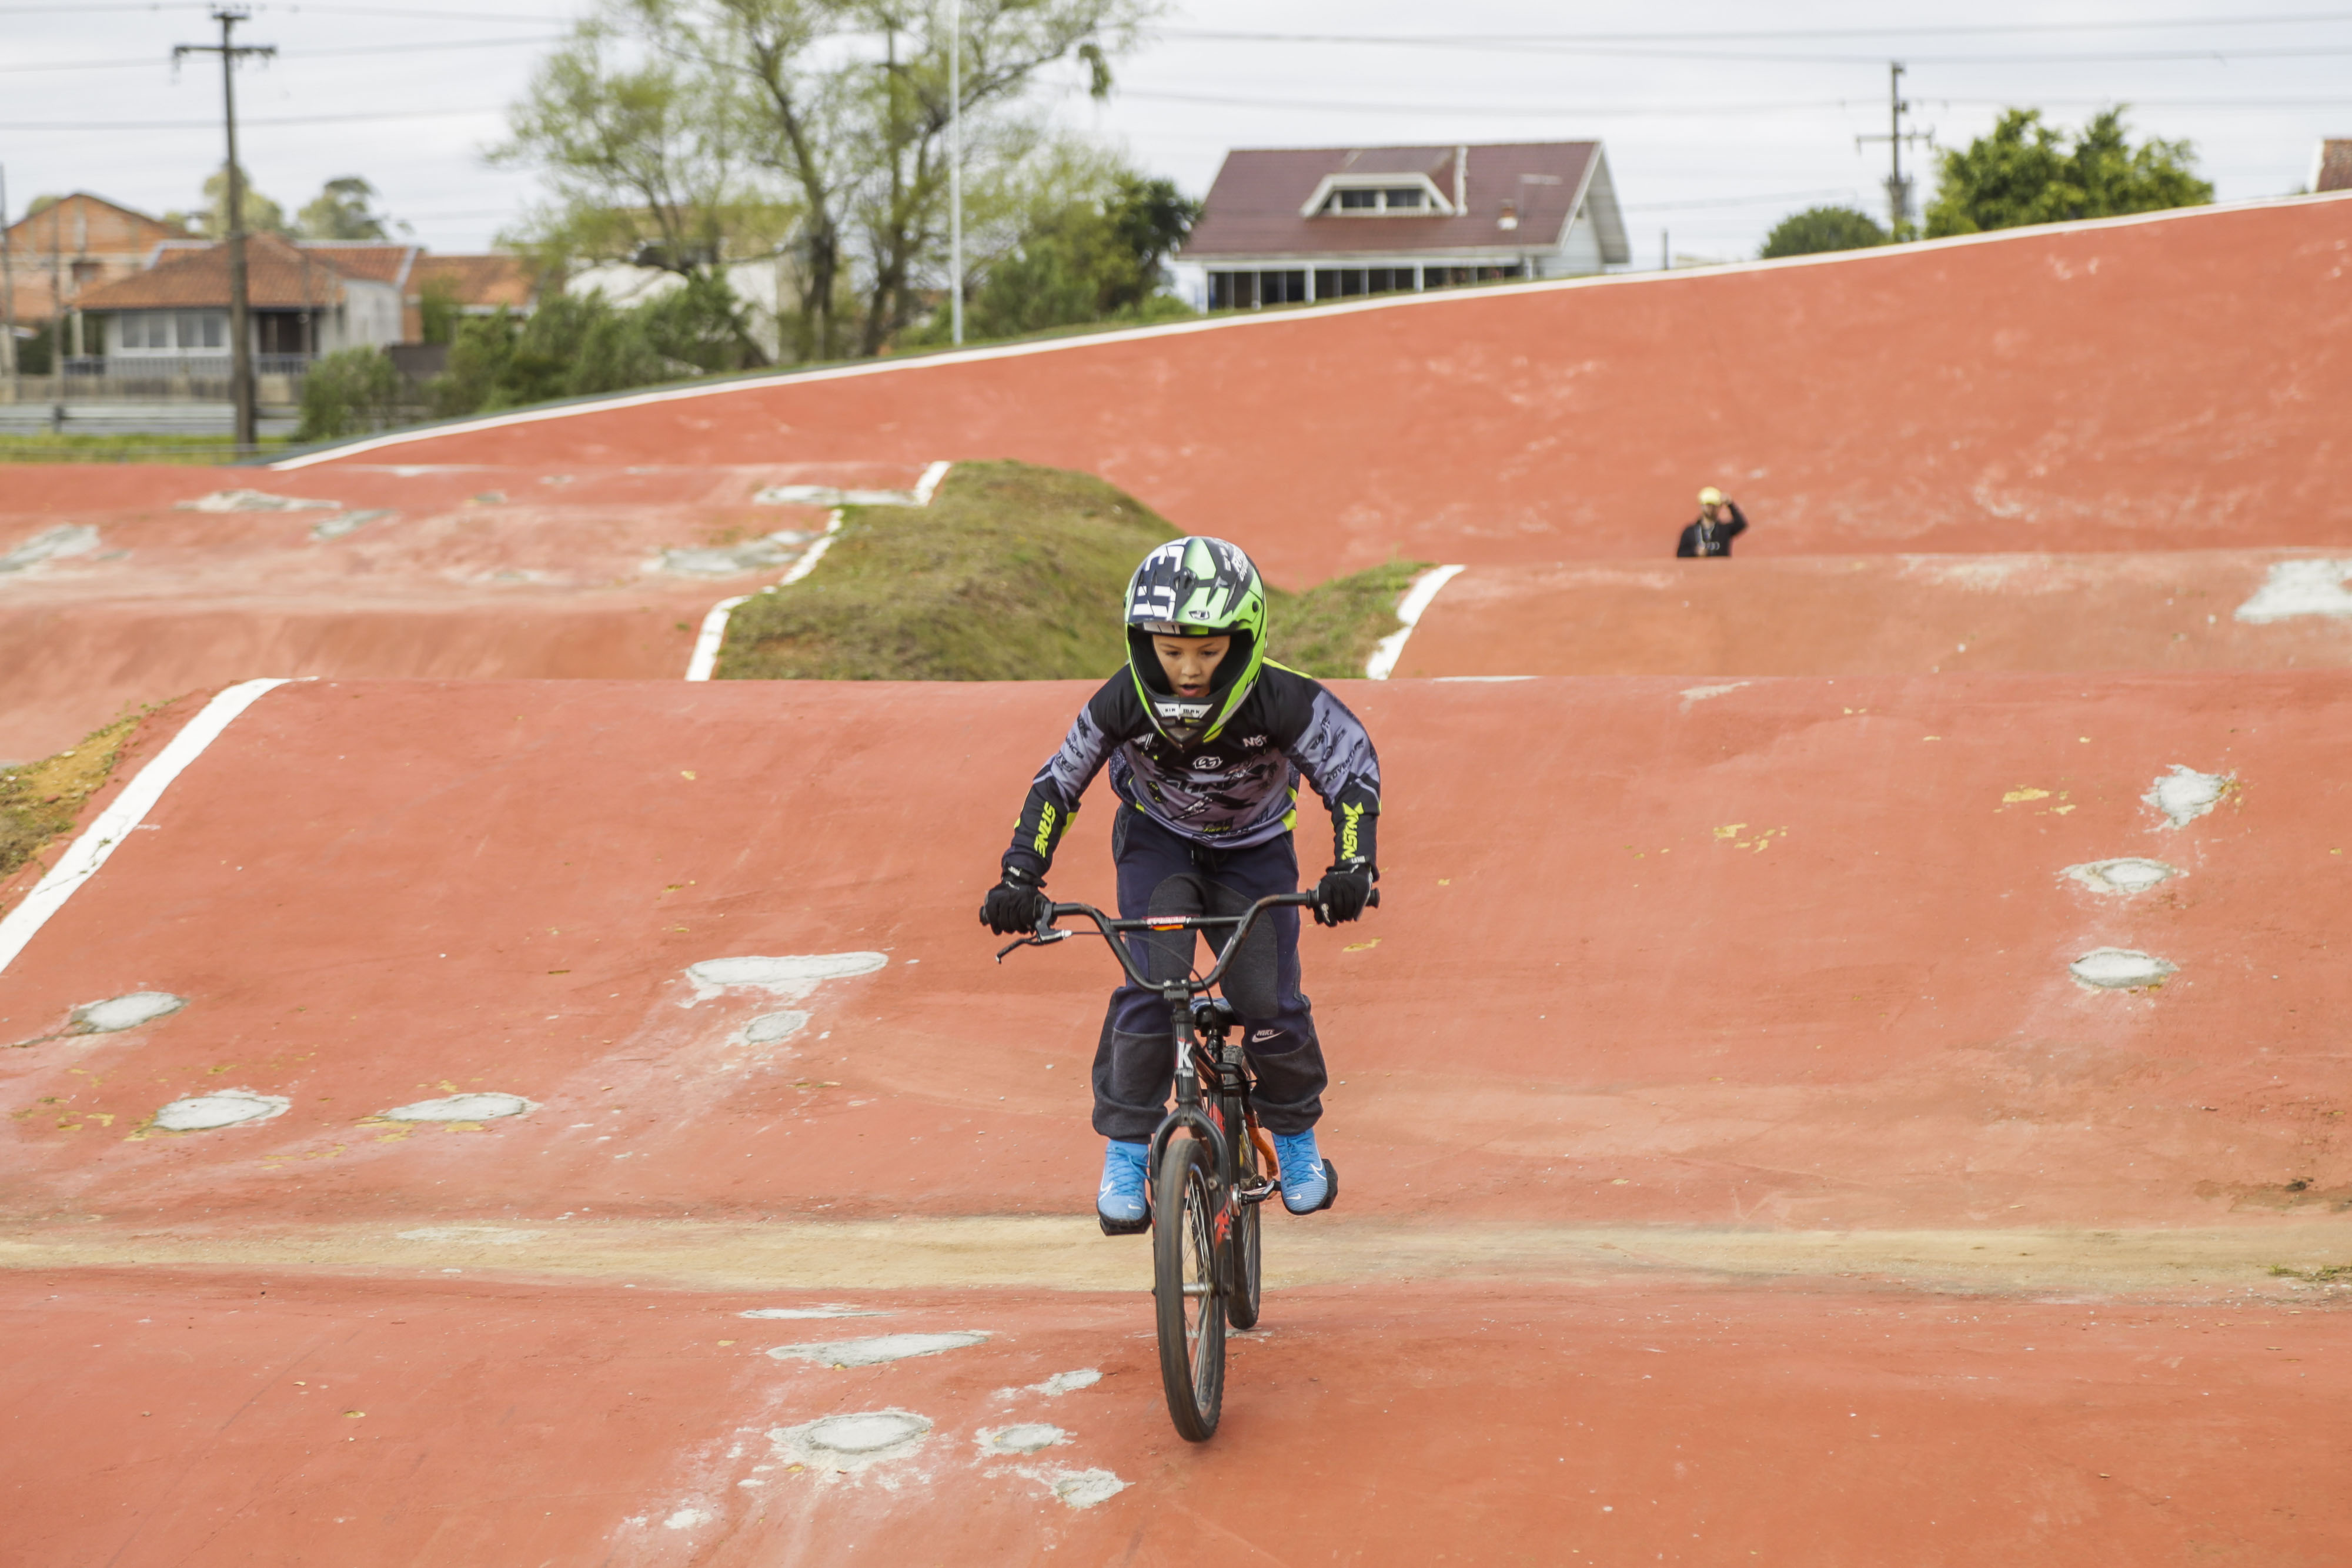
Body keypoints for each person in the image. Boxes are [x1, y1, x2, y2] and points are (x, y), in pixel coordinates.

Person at [978, 537, 1382, 1234]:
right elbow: (1057, 784)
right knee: (1152, 987)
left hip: (1255, 853)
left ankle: (1294, 1137)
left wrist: (1353, 867)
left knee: (1267, 1003)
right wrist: (1020, 874)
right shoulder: (1121, 699)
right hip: (1157, 847)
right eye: (1169, 652)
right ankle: (1128, 1150)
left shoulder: (1283, 699)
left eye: (1207, 651)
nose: (1188, 671)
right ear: (1142, 643)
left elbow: (1351, 776)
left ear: (1245, 638)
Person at [1677, 486, 1748, 557]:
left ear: (1719, 507)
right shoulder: (1690, 531)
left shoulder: (1724, 529)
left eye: (1714, 506)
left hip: (1721, 568)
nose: (1711, 508)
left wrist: (1730, 504)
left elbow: (1741, 524)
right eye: (1708, 505)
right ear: (1701, 506)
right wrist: (1695, 552)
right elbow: (1680, 555)